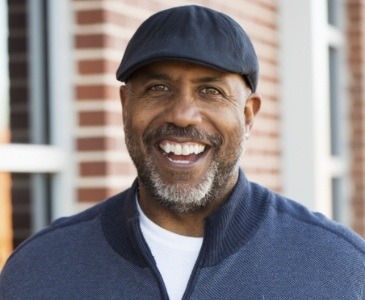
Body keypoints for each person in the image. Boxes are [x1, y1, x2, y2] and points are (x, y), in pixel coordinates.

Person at [1, 5, 364, 300]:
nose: (182, 114)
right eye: (158, 87)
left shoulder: (340, 271)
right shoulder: (38, 271)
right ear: (126, 105)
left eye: (211, 91)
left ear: (248, 115)